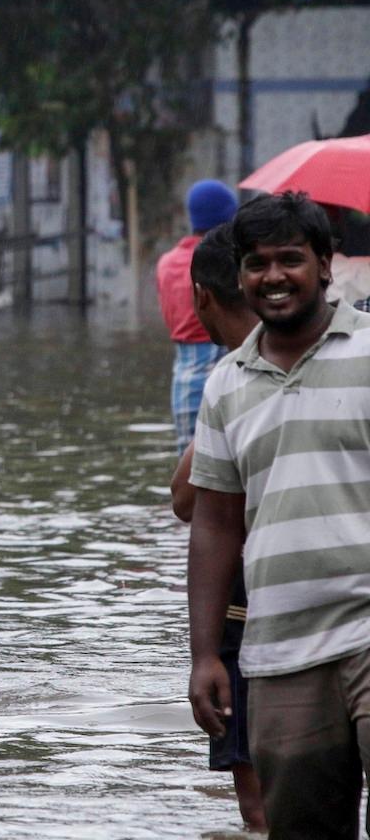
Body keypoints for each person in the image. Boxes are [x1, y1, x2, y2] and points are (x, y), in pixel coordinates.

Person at [187, 192, 370, 836]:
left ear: (324, 265)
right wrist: (205, 655)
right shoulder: (226, 384)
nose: (273, 277)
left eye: (290, 259)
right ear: (238, 276)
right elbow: (213, 523)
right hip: (281, 649)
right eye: (257, 263)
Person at [167, 225, 266, 833]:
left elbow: (184, 499)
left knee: (259, 805)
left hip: (247, 609)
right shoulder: (238, 374)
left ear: (202, 297)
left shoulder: (238, 374)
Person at [156, 179, 238, 454]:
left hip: (183, 372)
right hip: (221, 361)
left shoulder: (166, 263)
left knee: (189, 456)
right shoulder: (223, 259)